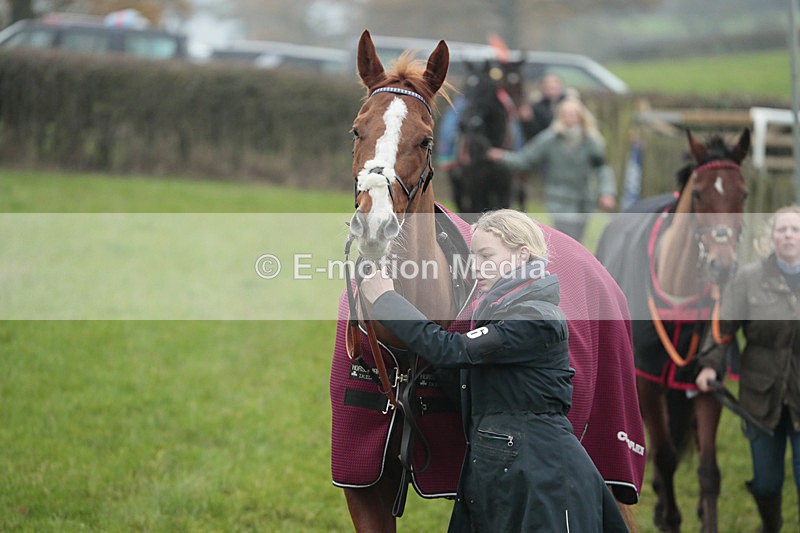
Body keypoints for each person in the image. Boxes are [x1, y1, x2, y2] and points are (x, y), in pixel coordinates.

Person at [359, 209, 628, 532]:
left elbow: (452, 350)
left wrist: (387, 301)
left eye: (486, 255)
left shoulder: (533, 318)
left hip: (541, 477)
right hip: (499, 472)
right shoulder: (502, 311)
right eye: (472, 256)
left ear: (522, 255)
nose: (475, 267)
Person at [696, 206, 800, 533]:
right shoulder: (748, 279)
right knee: (767, 484)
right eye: (782, 230)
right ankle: (771, 525)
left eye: (795, 230)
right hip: (760, 400)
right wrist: (710, 366)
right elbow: (721, 330)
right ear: (771, 237)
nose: (788, 236)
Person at [487, 96, 617, 242]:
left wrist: (607, 192)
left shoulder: (591, 141)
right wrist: (501, 156)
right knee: (566, 239)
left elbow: (602, 169)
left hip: (584, 200)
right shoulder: (549, 139)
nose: (570, 118)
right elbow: (525, 160)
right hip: (559, 199)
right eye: (566, 114)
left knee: (578, 242)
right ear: (560, 116)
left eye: (574, 114)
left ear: (581, 117)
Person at [526, 73, 567, 139]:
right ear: (542, 88)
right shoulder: (536, 107)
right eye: (548, 87)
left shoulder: (569, 104)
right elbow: (534, 132)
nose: (552, 91)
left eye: (554, 87)